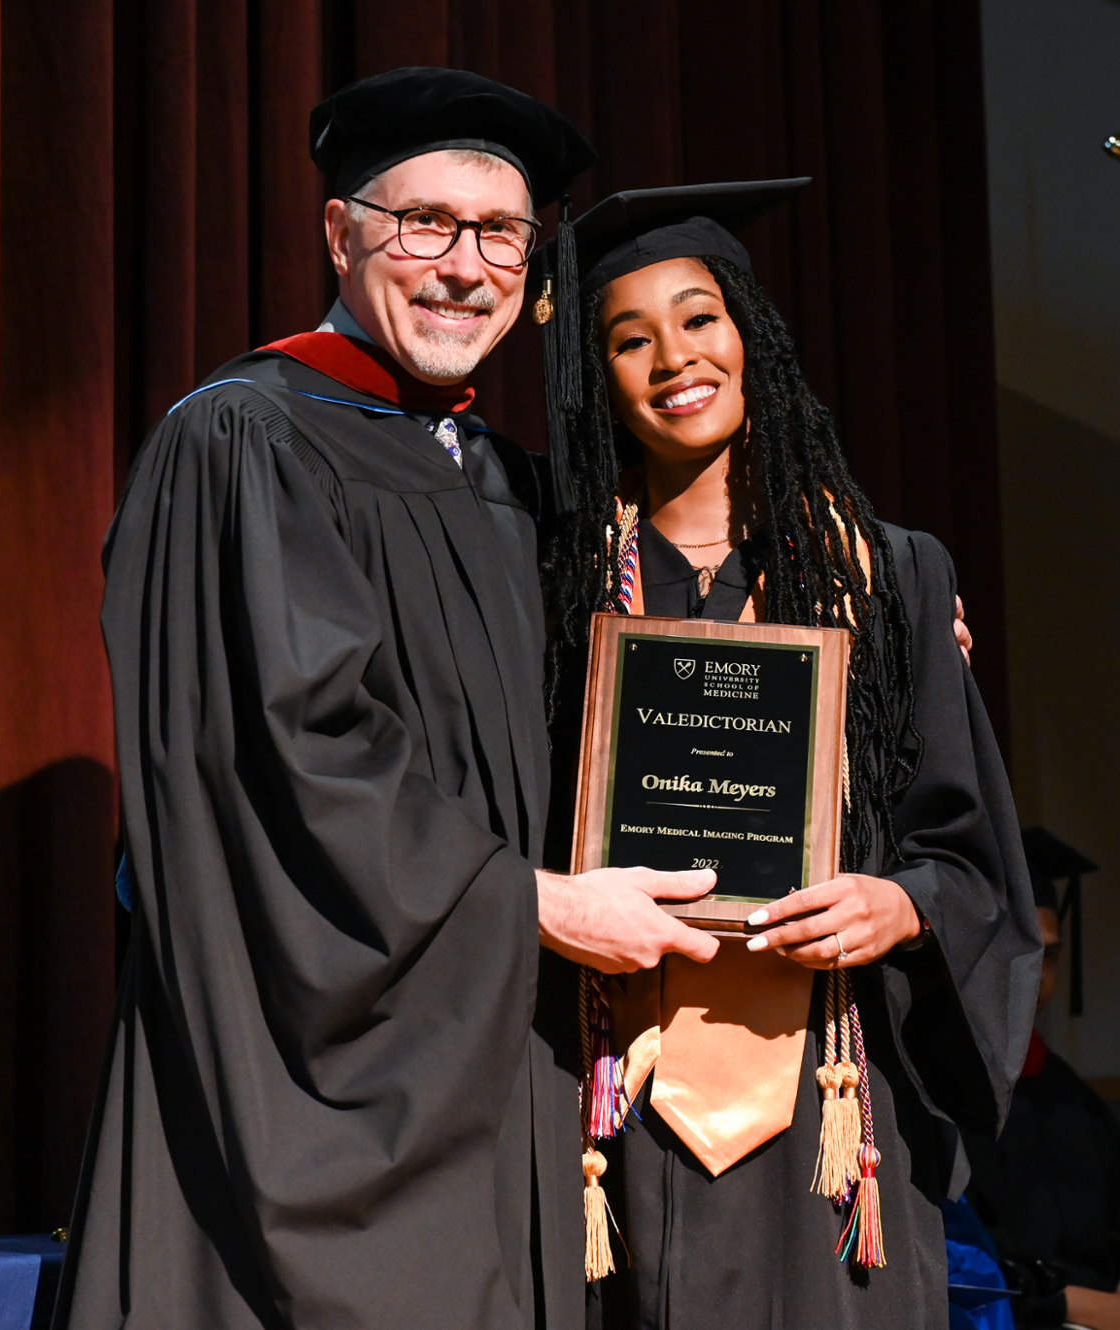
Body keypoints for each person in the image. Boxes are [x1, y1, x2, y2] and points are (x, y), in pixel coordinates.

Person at [53, 68, 729, 1330]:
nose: (462, 266)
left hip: (497, 1080)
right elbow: (288, 757)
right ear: (340, 232)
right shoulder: (243, 443)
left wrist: (885, 623)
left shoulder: (506, 487)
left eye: (499, 235)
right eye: (424, 222)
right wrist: (528, 903)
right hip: (324, 1103)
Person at [539, 178, 1043, 1329]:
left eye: (698, 318)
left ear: (750, 335)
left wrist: (898, 907)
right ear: (596, 383)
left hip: (828, 1129)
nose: (673, 358)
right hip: (606, 1121)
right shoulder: (553, 594)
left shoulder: (884, 579)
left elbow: (970, 862)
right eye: (629, 338)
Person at [960, 857, 1120, 1330]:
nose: (1037, 976)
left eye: (1048, 955)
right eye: (1020, 950)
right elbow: (954, 1267)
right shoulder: (933, 1094)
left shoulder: (1066, 1093)